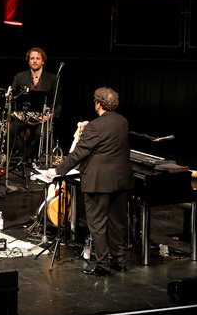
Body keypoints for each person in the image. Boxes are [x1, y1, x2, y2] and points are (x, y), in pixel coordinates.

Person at [47, 87, 133, 276]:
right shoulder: (122, 122)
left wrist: (57, 170)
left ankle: (103, 265)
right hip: (121, 181)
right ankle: (119, 261)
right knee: (117, 223)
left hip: (99, 182)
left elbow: (78, 154)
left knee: (98, 224)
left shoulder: (94, 126)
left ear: (98, 103)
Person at [10, 47, 62, 161]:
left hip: (42, 117)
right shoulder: (20, 77)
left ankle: (27, 157)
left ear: (43, 61)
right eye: (32, 58)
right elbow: (13, 98)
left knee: (42, 134)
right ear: (28, 61)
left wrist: (50, 116)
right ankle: (29, 153)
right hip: (23, 116)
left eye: (37, 58)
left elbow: (58, 104)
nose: (34, 61)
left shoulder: (52, 79)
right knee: (7, 131)